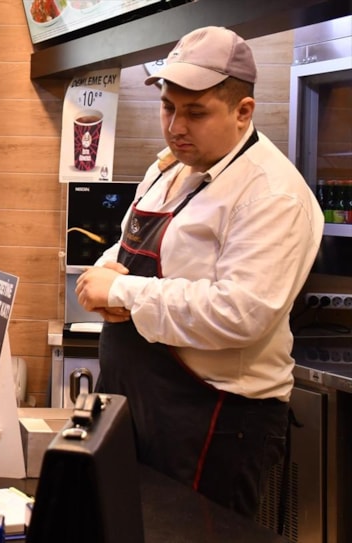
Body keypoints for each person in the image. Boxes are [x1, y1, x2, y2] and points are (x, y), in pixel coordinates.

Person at [75, 26, 324, 517]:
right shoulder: (167, 169)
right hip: (134, 405)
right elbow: (124, 248)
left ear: (243, 111)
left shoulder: (272, 194)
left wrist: (123, 292)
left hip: (213, 421)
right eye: (168, 107)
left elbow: (239, 313)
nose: (176, 127)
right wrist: (102, 278)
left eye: (195, 112)